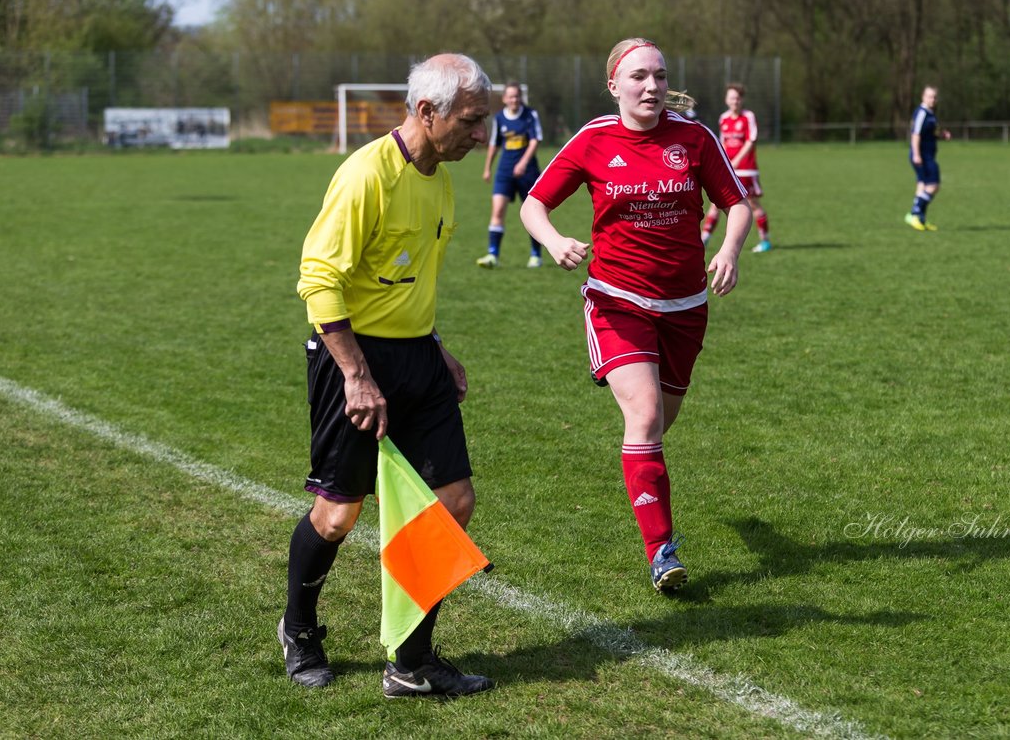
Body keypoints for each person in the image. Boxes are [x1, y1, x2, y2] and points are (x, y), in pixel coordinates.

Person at [283, 53, 495, 698]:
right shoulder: (365, 175)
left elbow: (406, 279)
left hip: (417, 359)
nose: (480, 135)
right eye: (470, 120)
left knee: (452, 502)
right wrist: (356, 374)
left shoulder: (440, 176)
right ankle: (299, 630)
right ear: (426, 112)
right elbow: (318, 281)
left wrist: (435, 345)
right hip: (351, 356)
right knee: (338, 514)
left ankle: (411, 660)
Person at [520, 38, 751, 594]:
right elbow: (534, 204)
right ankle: (662, 552)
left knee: (656, 426)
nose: (652, 86)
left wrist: (728, 250)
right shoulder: (594, 140)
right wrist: (552, 241)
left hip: (686, 307)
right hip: (617, 301)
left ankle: (639, 473)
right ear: (614, 85)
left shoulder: (694, 138)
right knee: (645, 417)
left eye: (661, 76)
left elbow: (737, 202)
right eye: (640, 77)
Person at [477, 82, 546, 268]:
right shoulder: (499, 118)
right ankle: (493, 255)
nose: (514, 99)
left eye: (517, 96)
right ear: (504, 99)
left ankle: (535, 255)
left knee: (532, 214)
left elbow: (535, 140)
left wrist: (523, 163)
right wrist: (487, 168)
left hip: (528, 172)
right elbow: (494, 144)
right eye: (511, 96)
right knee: (497, 210)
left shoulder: (530, 115)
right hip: (505, 171)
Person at [702, 83, 771, 252]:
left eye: (738, 98)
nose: (735, 101)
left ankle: (765, 241)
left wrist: (737, 160)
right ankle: (704, 239)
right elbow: (723, 143)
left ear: (742, 100)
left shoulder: (748, 116)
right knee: (716, 204)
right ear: (727, 100)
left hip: (746, 169)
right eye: (732, 98)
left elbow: (751, 140)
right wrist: (722, 163)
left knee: (752, 204)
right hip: (729, 169)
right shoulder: (723, 118)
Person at [905, 85, 951, 231]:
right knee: (934, 185)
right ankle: (914, 213)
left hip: (927, 155)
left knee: (922, 185)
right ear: (923, 97)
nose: (933, 99)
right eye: (930, 96)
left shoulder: (930, 114)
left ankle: (920, 220)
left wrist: (942, 134)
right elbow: (915, 134)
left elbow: (931, 132)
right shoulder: (922, 113)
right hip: (923, 156)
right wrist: (917, 154)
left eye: (935, 97)